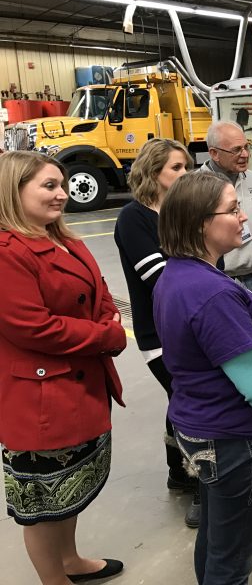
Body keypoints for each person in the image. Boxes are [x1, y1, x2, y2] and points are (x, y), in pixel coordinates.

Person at [153, 171, 252, 583]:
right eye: (233, 209)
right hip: (235, 439)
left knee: (218, 537)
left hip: (201, 424)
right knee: (234, 557)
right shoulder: (212, 294)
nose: (243, 216)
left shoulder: (179, 274)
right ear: (202, 222)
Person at [0, 151, 126, 584]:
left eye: (62, 185)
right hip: (41, 399)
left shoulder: (64, 238)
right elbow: (34, 328)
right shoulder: (8, 253)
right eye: (49, 186)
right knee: (41, 507)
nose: (61, 194)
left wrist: (107, 317)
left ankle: (69, 560)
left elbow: (100, 291)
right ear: (13, 191)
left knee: (69, 491)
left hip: (77, 387)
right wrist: (106, 335)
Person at [113, 138, 201, 528]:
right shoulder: (134, 218)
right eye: (176, 168)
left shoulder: (181, 213)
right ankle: (201, 484)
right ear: (152, 173)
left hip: (193, 325)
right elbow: (161, 277)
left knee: (179, 399)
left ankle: (178, 472)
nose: (186, 174)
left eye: (187, 166)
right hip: (161, 333)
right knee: (192, 403)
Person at [201, 120, 252, 303]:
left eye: (246, 147)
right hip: (217, 281)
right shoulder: (197, 187)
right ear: (214, 153)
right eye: (236, 150)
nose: (245, 154)